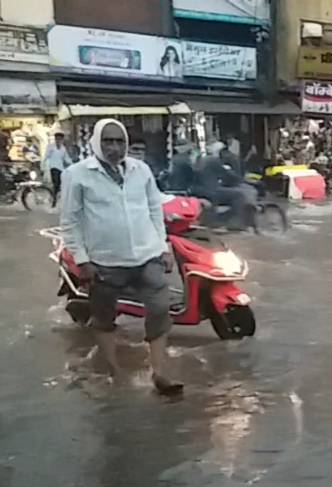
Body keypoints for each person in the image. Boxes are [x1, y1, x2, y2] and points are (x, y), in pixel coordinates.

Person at [59, 118, 182, 394]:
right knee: (103, 318)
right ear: (96, 142)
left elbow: (153, 210)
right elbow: (70, 221)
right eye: (108, 141)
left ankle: (160, 372)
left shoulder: (141, 170)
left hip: (147, 256)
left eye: (120, 141)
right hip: (104, 262)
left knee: (160, 309)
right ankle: (114, 371)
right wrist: (83, 260)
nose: (115, 147)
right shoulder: (76, 175)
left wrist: (162, 247)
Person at [194, 146, 253, 230]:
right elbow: (228, 175)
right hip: (211, 190)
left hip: (201, 189)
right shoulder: (214, 161)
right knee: (239, 195)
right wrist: (240, 179)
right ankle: (235, 222)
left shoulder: (204, 160)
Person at [43, 131, 72, 199]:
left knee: (60, 183)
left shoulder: (63, 148)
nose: (58, 140)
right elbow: (46, 156)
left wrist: (72, 163)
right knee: (55, 183)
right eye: (57, 138)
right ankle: (54, 198)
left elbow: (66, 158)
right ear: (55, 139)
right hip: (53, 167)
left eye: (60, 139)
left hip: (61, 168)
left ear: (62, 140)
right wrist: (44, 165)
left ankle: (56, 196)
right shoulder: (50, 146)